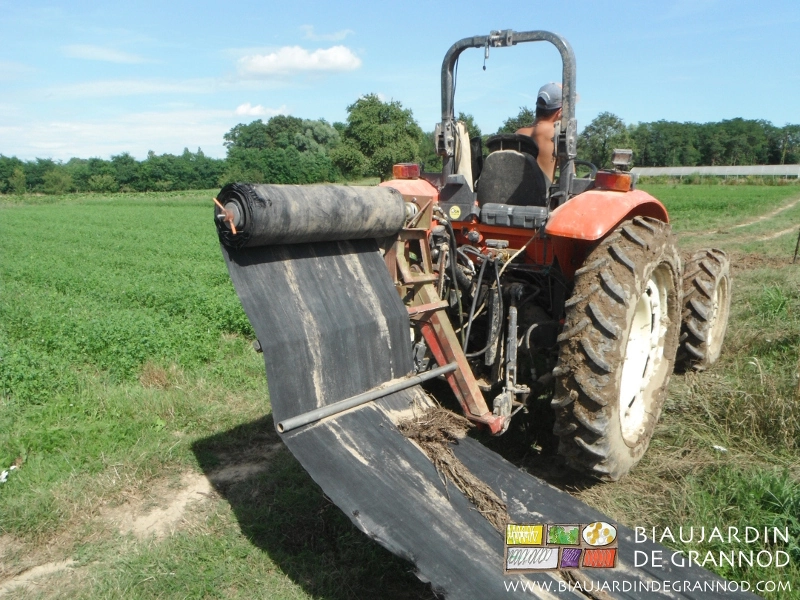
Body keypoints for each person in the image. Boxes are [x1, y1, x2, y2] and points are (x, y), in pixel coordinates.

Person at [515, 82, 562, 183]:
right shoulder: (555, 132)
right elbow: (570, 174)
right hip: (542, 193)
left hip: (514, 192)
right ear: (559, 112)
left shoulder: (518, 133)